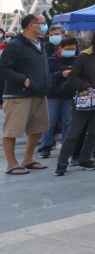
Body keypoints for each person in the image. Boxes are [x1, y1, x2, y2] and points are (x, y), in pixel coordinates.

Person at [54, 27, 95, 176]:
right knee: (74, 132)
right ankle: (62, 164)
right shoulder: (84, 56)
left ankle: (86, 159)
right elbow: (73, 77)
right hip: (85, 99)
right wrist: (86, 86)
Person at [1, 14, 53, 175]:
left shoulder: (41, 43)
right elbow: (3, 68)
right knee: (12, 130)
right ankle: (11, 163)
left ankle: (28, 159)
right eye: (42, 23)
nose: (45, 26)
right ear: (31, 25)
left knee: (37, 128)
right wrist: (23, 79)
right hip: (19, 95)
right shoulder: (16, 44)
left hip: (39, 93)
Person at [40, 35, 78, 158]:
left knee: (68, 121)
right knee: (50, 121)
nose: (71, 51)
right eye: (68, 49)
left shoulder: (77, 59)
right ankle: (46, 146)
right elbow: (46, 77)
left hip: (69, 94)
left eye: (73, 48)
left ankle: (66, 147)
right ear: (60, 48)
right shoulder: (51, 60)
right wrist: (61, 74)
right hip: (53, 94)